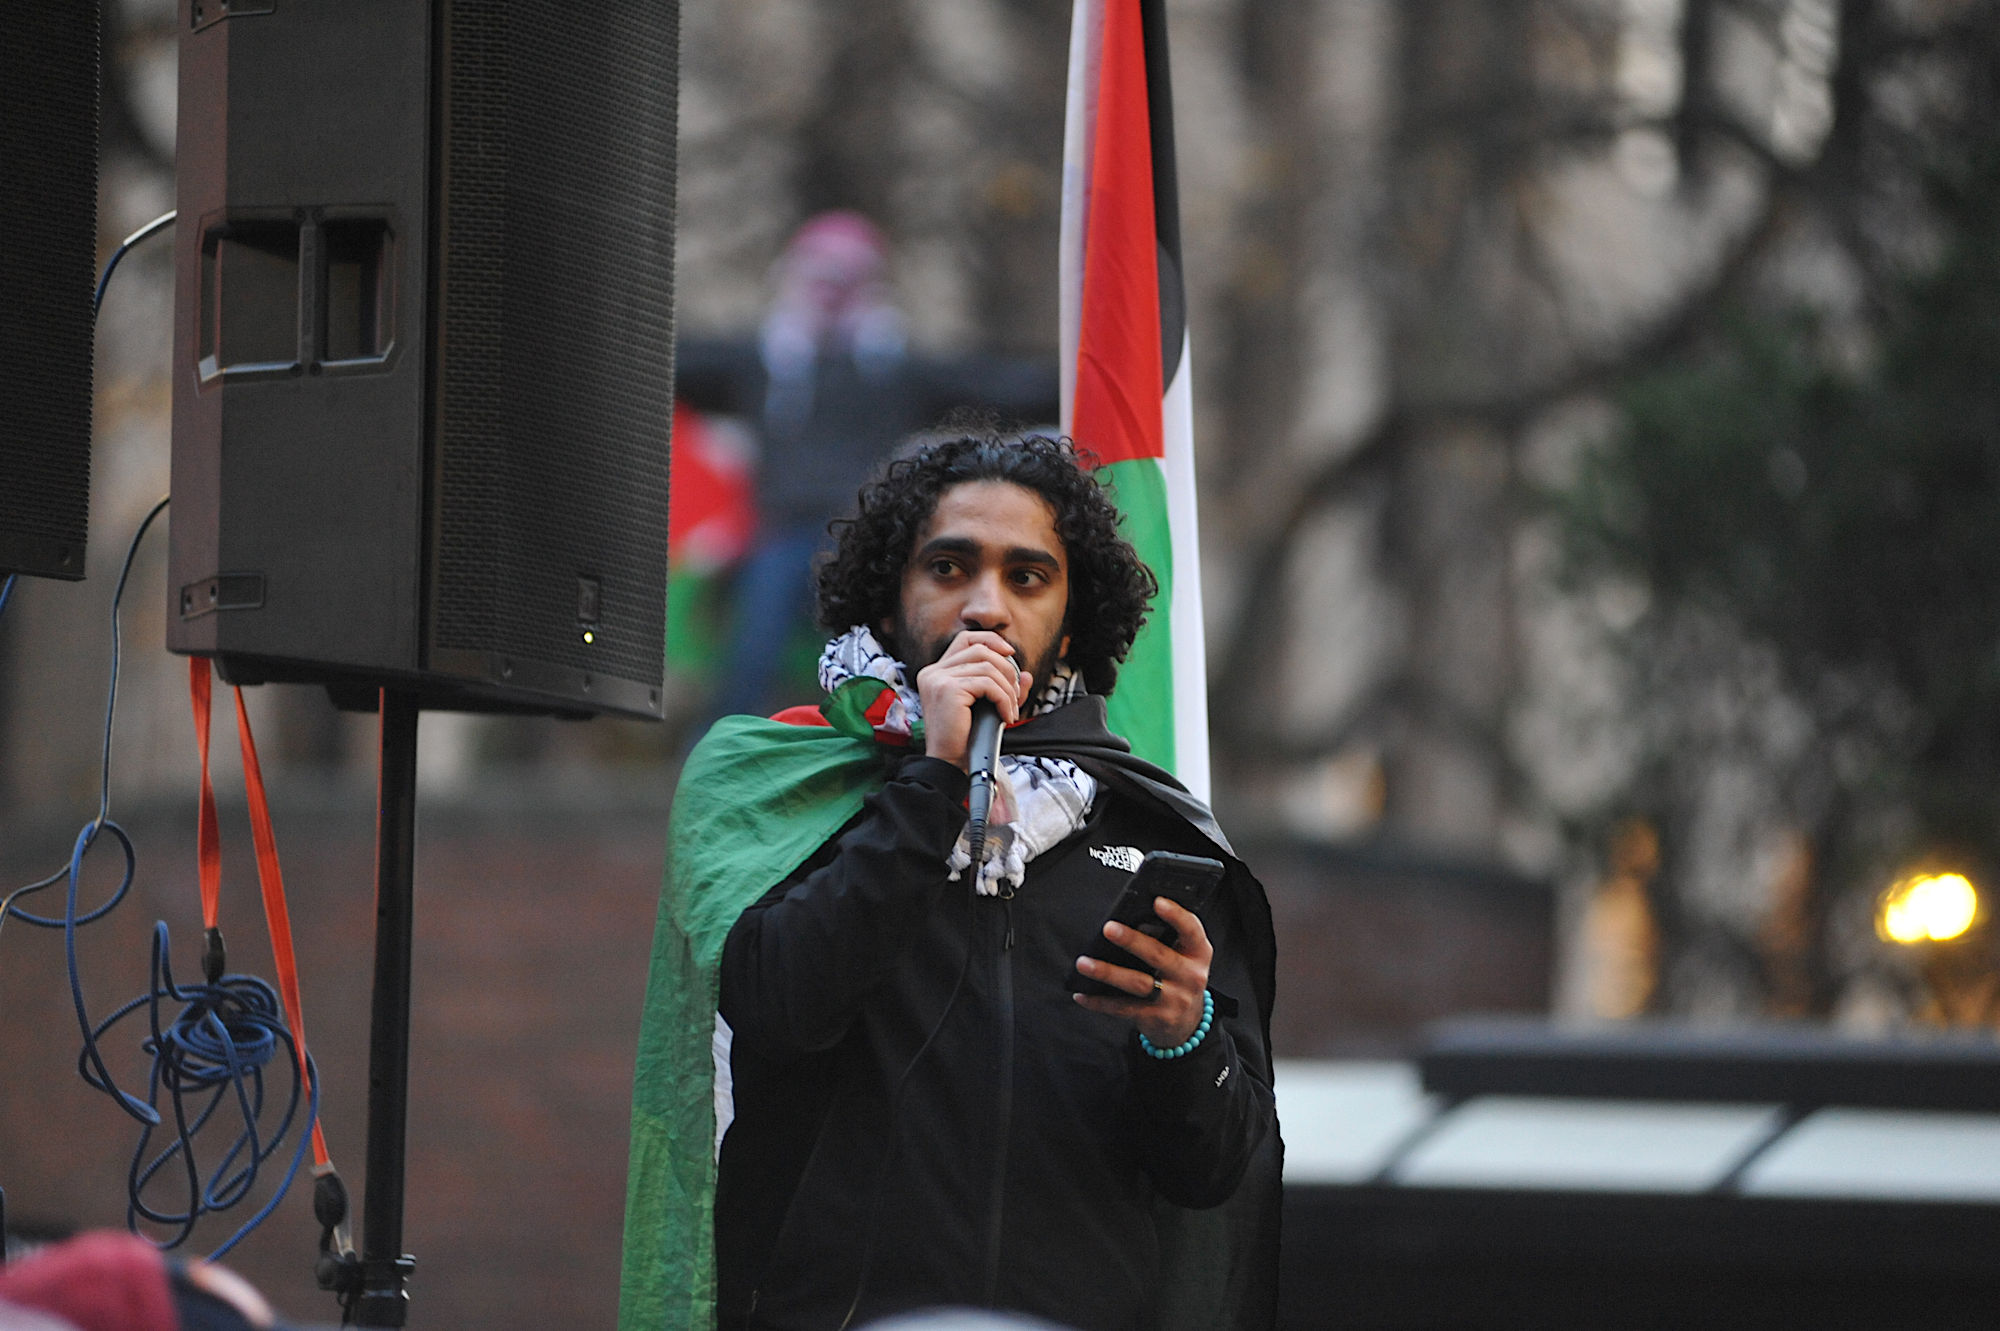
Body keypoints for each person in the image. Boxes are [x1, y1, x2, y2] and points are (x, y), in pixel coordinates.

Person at [620, 435, 1280, 1331]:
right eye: (948, 567)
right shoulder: (775, 789)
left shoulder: (1151, 828)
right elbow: (775, 1011)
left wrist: (1183, 1036)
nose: (986, 607)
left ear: (1072, 624)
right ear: (890, 605)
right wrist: (933, 783)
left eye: (1027, 577)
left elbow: (1216, 1175)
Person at [674, 214, 1059, 719]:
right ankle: (718, 743)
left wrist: (1080, 377)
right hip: (780, 537)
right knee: (754, 649)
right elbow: (670, 366)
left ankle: (879, 739)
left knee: (866, 656)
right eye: (820, 277)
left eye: (846, 279)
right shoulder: (764, 363)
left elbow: (996, 388)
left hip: (859, 540)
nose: (830, 293)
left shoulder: (891, 371)